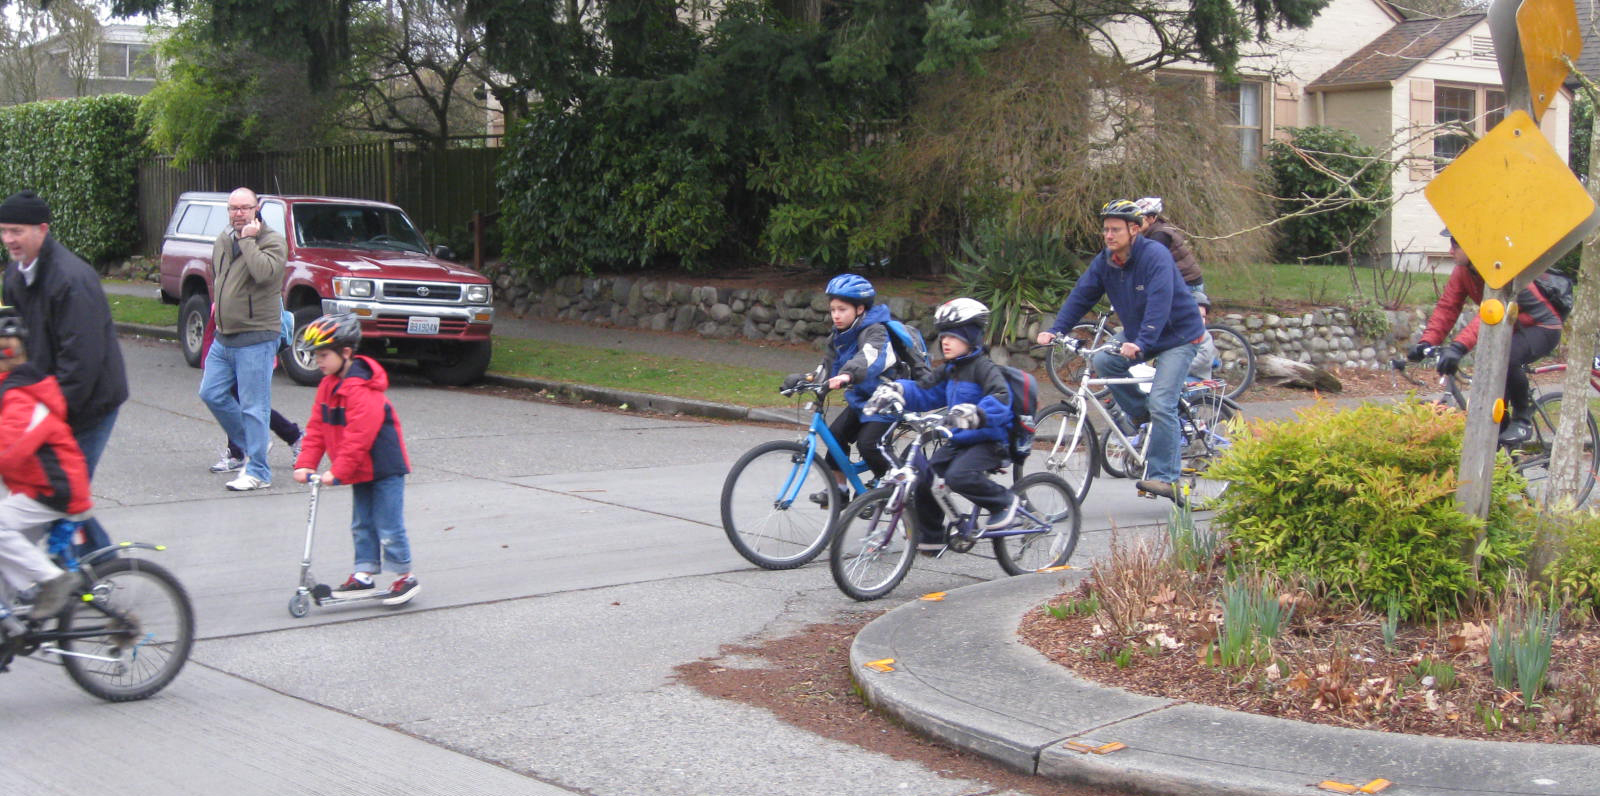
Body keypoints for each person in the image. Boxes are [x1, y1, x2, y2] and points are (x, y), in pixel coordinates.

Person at [1036, 199, 1206, 503]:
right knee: (1104, 360)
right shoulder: (1106, 261)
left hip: (1177, 333)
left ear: (1135, 229)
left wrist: (1142, 342)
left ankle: (1163, 477)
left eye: (1115, 229)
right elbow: (1081, 295)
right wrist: (1057, 329)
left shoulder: (1155, 256)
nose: (1109, 235)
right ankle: (1142, 416)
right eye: (1105, 230)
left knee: (1162, 401)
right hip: (1139, 330)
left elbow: (1160, 302)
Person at [0, 190, 128, 552]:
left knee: (60, 494)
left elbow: (82, 364)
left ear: (42, 230)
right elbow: (9, 344)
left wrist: (46, 417)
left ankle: (95, 568)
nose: (9, 239)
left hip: (90, 403)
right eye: (4, 231)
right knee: (54, 493)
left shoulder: (71, 279)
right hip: (49, 398)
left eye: (17, 231)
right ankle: (100, 564)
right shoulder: (14, 275)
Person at [867, 298, 1017, 551]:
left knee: (959, 476)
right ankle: (931, 536)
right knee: (926, 478)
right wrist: (896, 390)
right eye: (943, 336)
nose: (945, 342)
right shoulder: (950, 370)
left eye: (954, 337)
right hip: (959, 439)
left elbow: (1002, 400)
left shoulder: (984, 368)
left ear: (971, 338)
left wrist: (977, 413)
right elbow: (926, 391)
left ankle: (1002, 503)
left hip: (989, 440)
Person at [291, 313, 419, 605]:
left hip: (384, 467)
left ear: (345, 352)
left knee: (387, 524)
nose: (318, 362)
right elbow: (317, 428)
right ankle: (364, 574)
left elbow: (360, 435)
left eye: (323, 355)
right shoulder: (328, 386)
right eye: (315, 355)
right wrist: (305, 463)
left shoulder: (362, 389)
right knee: (361, 523)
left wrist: (338, 471)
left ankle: (405, 577)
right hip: (359, 469)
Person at [1408, 229, 1563, 446]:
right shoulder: (1463, 271)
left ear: (1472, 247)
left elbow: (1491, 311)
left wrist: (1459, 347)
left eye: (1455, 244)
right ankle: (1505, 455)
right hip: (1510, 328)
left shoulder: (1500, 270)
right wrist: (1427, 342)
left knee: (1506, 358)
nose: (1450, 250)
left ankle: (1523, 420)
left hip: (1542, 327)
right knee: (1493, 401)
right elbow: (1448, 308)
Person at [784, 274, 910, 503]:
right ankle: (839, 491)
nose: (836, 315)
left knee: (869, 444)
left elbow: (870, 358)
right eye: (833, 310)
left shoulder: (876, 331)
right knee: (835, 436)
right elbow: (828, 367)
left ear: (860, 309)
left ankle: (900, 490)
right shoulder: (839, 335)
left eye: (842, 309)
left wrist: (847, 374)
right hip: (862, 399)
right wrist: (805, 379)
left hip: (888, 398)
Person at [0, 306, 91, 619]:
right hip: (32, 488)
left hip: (55, 490)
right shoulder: (9, 387)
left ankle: (54, 580)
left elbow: (8, 449)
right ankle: (10, 627)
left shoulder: (24, 394)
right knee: (6, 556)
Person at [201, 187, 286, 491]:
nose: (238, 214)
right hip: (224, 337)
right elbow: (219, 277)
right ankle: (255, 444)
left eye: (244, 208)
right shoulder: (224, 239)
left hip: (256, 337)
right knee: (211, 393)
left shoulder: (273, 241)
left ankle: (259, 472)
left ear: (256, 209)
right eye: (232, 208)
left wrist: (248, 240)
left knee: (254, 406)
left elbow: (265, 274)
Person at [202, 307, 302, 473]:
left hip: (252, 340)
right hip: (227, 337)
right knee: (230, 398)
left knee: (248, 402)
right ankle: (244, 449)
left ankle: (246, 450)